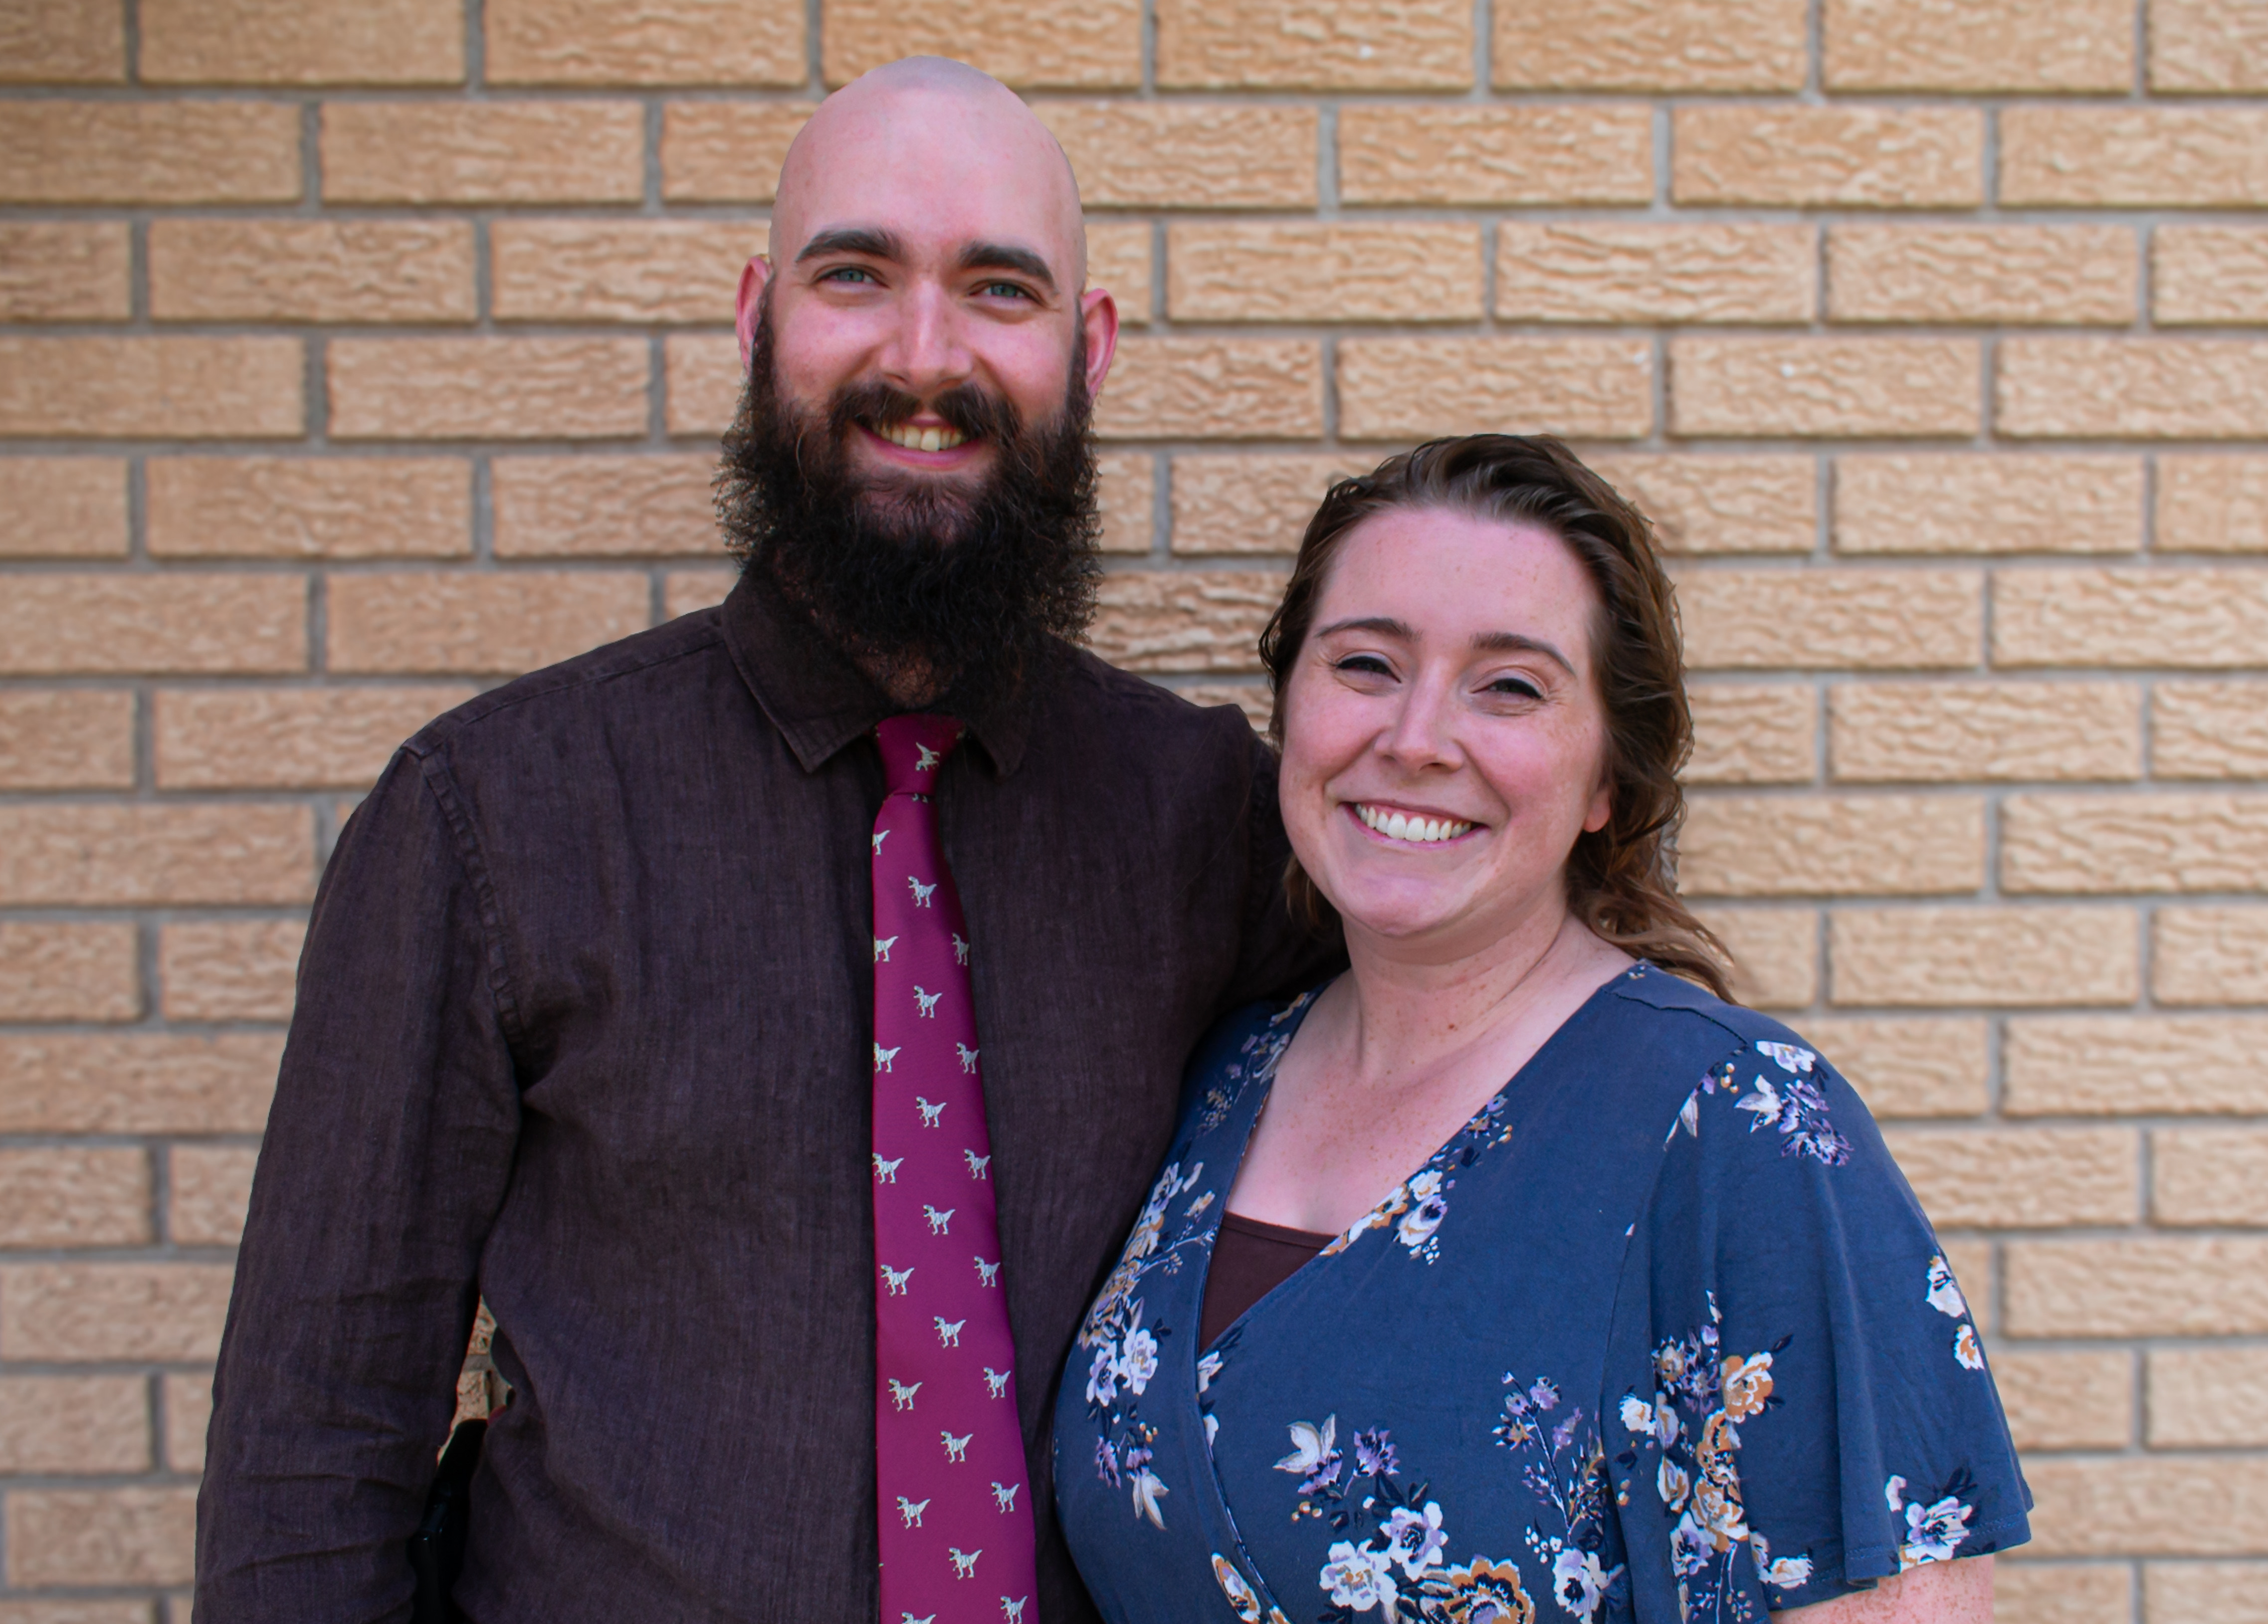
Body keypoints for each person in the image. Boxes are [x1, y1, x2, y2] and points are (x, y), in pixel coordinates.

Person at [195, 58, 1331, 1624]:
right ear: (755, 318)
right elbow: (312, 1450)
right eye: (854, 275)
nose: (923, 358)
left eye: (999, 289)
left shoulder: (1209, 821)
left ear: (1091, 346)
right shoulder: (491, 819)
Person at [1054, 436, 2028, 1624]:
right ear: (1289, 709)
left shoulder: (1739, 1124)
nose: (1416, 738)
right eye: (1365, 664)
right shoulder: (1222, 1074)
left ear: (1607, 780)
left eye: (1509, 686)